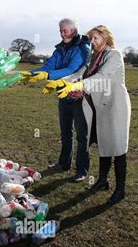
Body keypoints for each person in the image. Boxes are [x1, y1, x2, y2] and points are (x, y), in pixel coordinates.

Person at [44, 25, 131, 205]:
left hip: (115, 107)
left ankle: (120, 189)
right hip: (99, 107)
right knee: (105, 144)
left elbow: (102, 76)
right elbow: (80, 74)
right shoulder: (94, 57)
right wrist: (62, 81)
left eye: (96, 38)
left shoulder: (113, 55)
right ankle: (102, 180)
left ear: (105, 38)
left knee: (118, 148)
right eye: (90, 39)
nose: (92, 42)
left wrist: (78, 86)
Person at [20, 18, 91, 182]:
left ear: (73, 31)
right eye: (60, 31)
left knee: (82, 136)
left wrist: (48, 75)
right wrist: (32, 73)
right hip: (63, 95)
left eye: (64, 31)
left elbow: (72, 69)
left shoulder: (83, 48)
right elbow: (49, 66)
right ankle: (63, 163)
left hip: (80, 95)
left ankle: (81, 170)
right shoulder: (60, 49)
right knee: (65, 132)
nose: (61, 34)